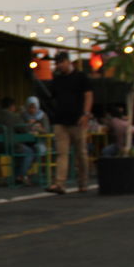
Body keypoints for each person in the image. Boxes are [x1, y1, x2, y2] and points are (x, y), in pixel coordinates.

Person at [47, 51, 93, 194]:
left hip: (78, 120)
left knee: (81, 153)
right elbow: (52, 96)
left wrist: (86, 114)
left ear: (68, 62)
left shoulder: (81, 77)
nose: (59, 66)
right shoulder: (57, 79)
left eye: (61, 62)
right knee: (62, 153)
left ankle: (83, 181)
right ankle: (60, 183)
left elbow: (88, 95)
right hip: (61, 120)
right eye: (57, 63)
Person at [0, 97, 36, 186]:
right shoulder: (14, 116)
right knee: (29, 152)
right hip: (8, 146)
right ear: (12, 106)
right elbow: (24, 131)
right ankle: (19, 176)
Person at [23, 95, 51, 181]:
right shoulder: (23, 115)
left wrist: (38, 128)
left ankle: (35, 173)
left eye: (34, 108)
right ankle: (23, 174)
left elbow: (47, 130)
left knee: (38, 150)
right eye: (30, 107)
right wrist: (27, 125)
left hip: (39, 141)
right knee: (22, 151)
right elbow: (19, 128)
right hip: (26, 141)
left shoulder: (42, 116)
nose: (32, 110)